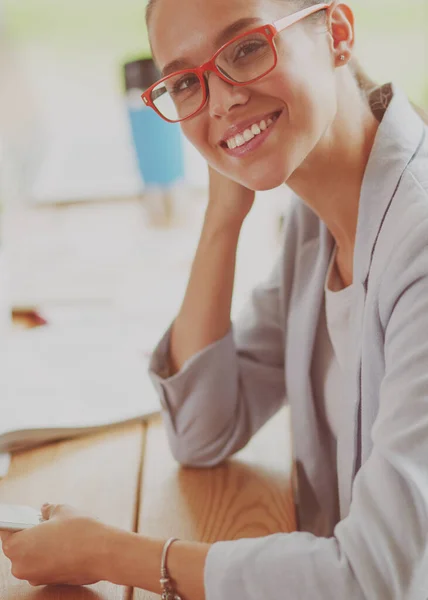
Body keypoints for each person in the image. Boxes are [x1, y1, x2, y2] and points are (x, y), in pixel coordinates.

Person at [1, 0, 428, 597]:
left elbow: (372, 576)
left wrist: (107, 551)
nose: (221, 100)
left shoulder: (418, 241)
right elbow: (203, 429)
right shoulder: (320, 218)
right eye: (184, 83)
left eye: (247, 48)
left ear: (336, 33)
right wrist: (222, 215)